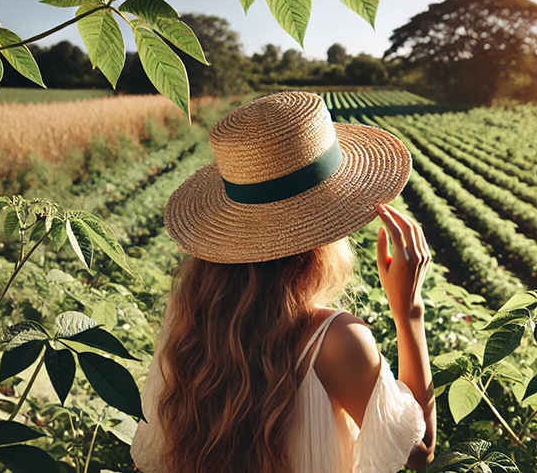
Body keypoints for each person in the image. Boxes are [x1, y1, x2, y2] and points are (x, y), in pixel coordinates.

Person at [130, 91, 436, 473]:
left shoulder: (192, 317)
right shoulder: (336, 338)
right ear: (327, 224)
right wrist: (408, 311)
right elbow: (418, 451)